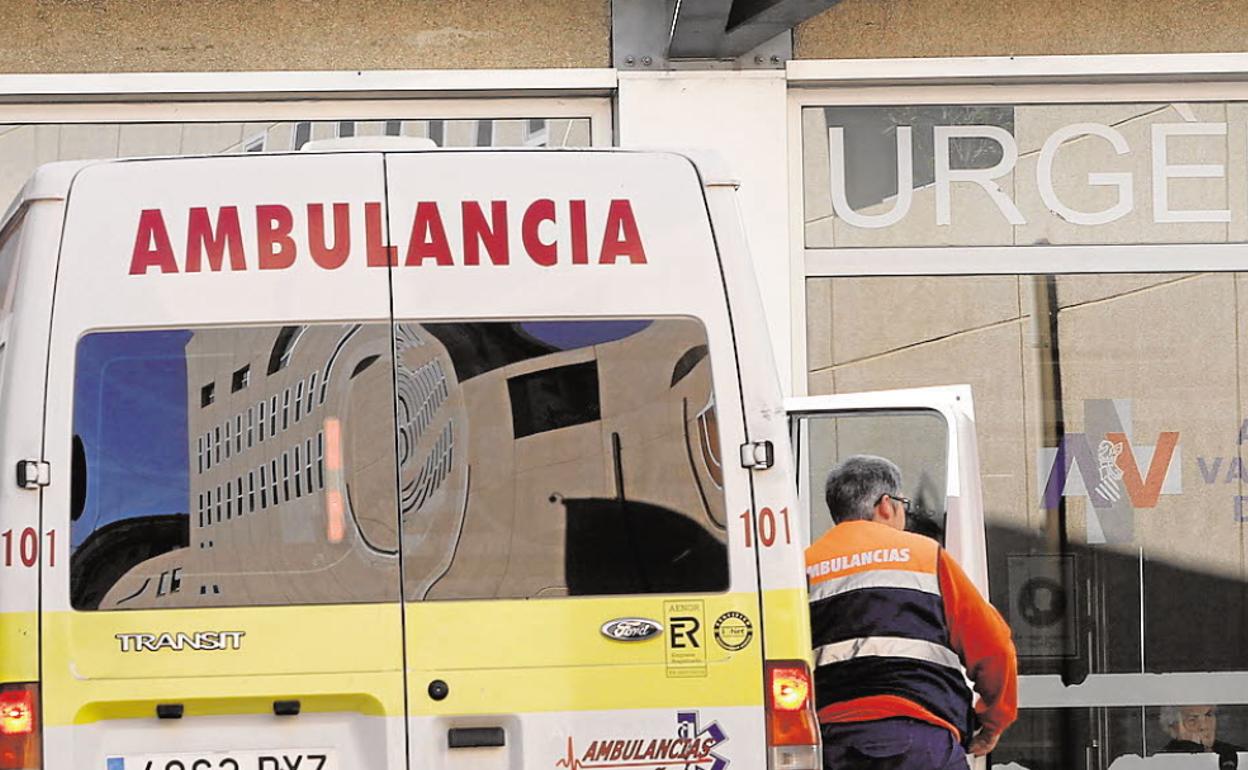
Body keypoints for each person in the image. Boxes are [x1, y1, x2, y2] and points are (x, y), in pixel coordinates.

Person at [806, 455, 1018, 770]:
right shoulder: (925, 556)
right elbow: (994, 647)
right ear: (886, 505)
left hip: (835, 744)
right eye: (904, 503)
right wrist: (992, 723)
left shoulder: (804, 567)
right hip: (922, 740)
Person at [1159, 705, 1243, 769]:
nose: (1204, 726)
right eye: (1192, 720)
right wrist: (1191, 747)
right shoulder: (1162, 760)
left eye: (1208, 715)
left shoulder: (1233, 753)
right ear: (1174, 727)